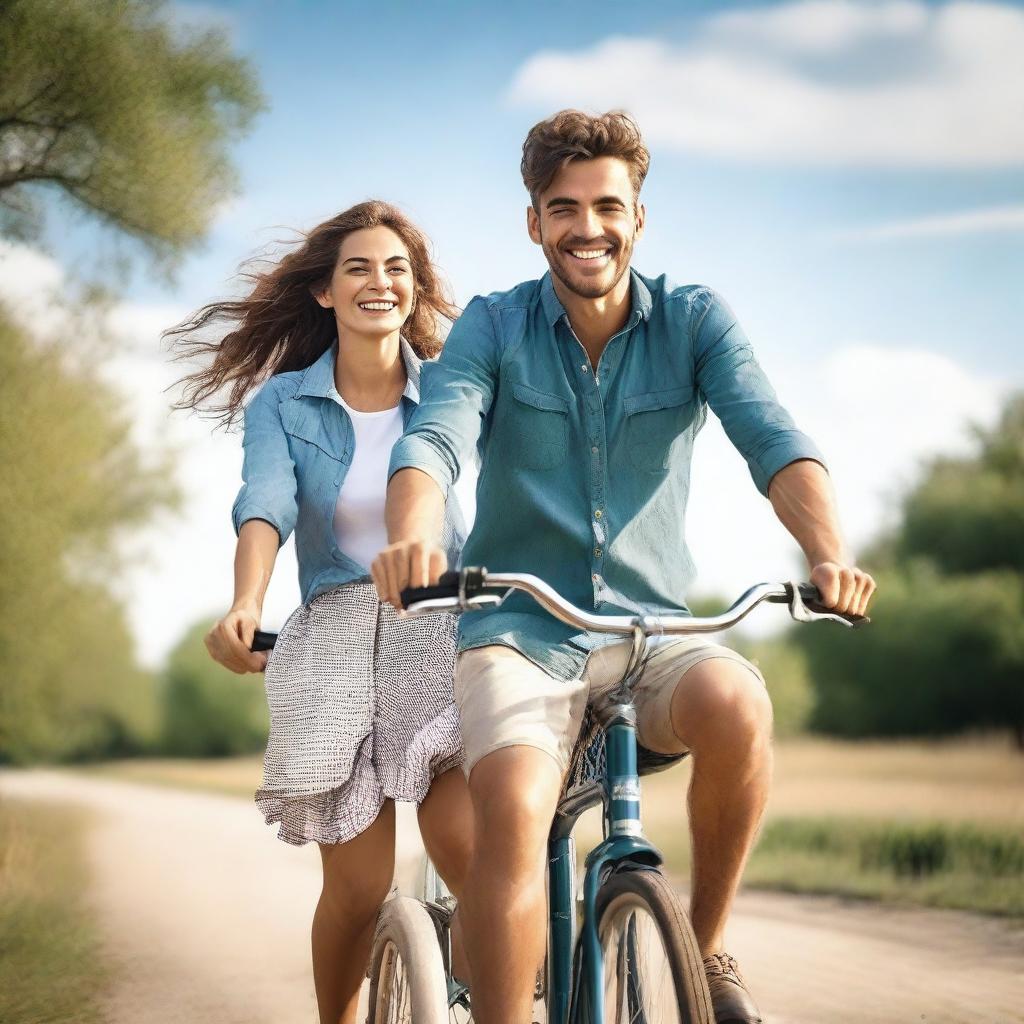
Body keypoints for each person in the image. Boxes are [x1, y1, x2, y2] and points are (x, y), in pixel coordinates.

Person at [372, 112, 877, 1024]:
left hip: (653, 630)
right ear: (535, 224)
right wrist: (415, 541)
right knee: (518, 820)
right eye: (563, 208)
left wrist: (828, 555)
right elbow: (433, 440)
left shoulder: (693, 321)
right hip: (521, 632)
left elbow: (774, 441)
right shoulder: (493, 325)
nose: (587, 227)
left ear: (639, 218)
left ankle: (707, 949)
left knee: (740, 705)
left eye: (608, 206)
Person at [169, 200, 474, 1024]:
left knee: (471, 849)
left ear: (415, 290)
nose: (380, 282)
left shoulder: (450, 386)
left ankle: (492, 989)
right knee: (358, 886)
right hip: (334, 635)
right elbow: (263, 504)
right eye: (359, 268)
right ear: (326, 294)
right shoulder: (282, 405)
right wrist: (245, 601)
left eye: (396, 269)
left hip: (440, 625)